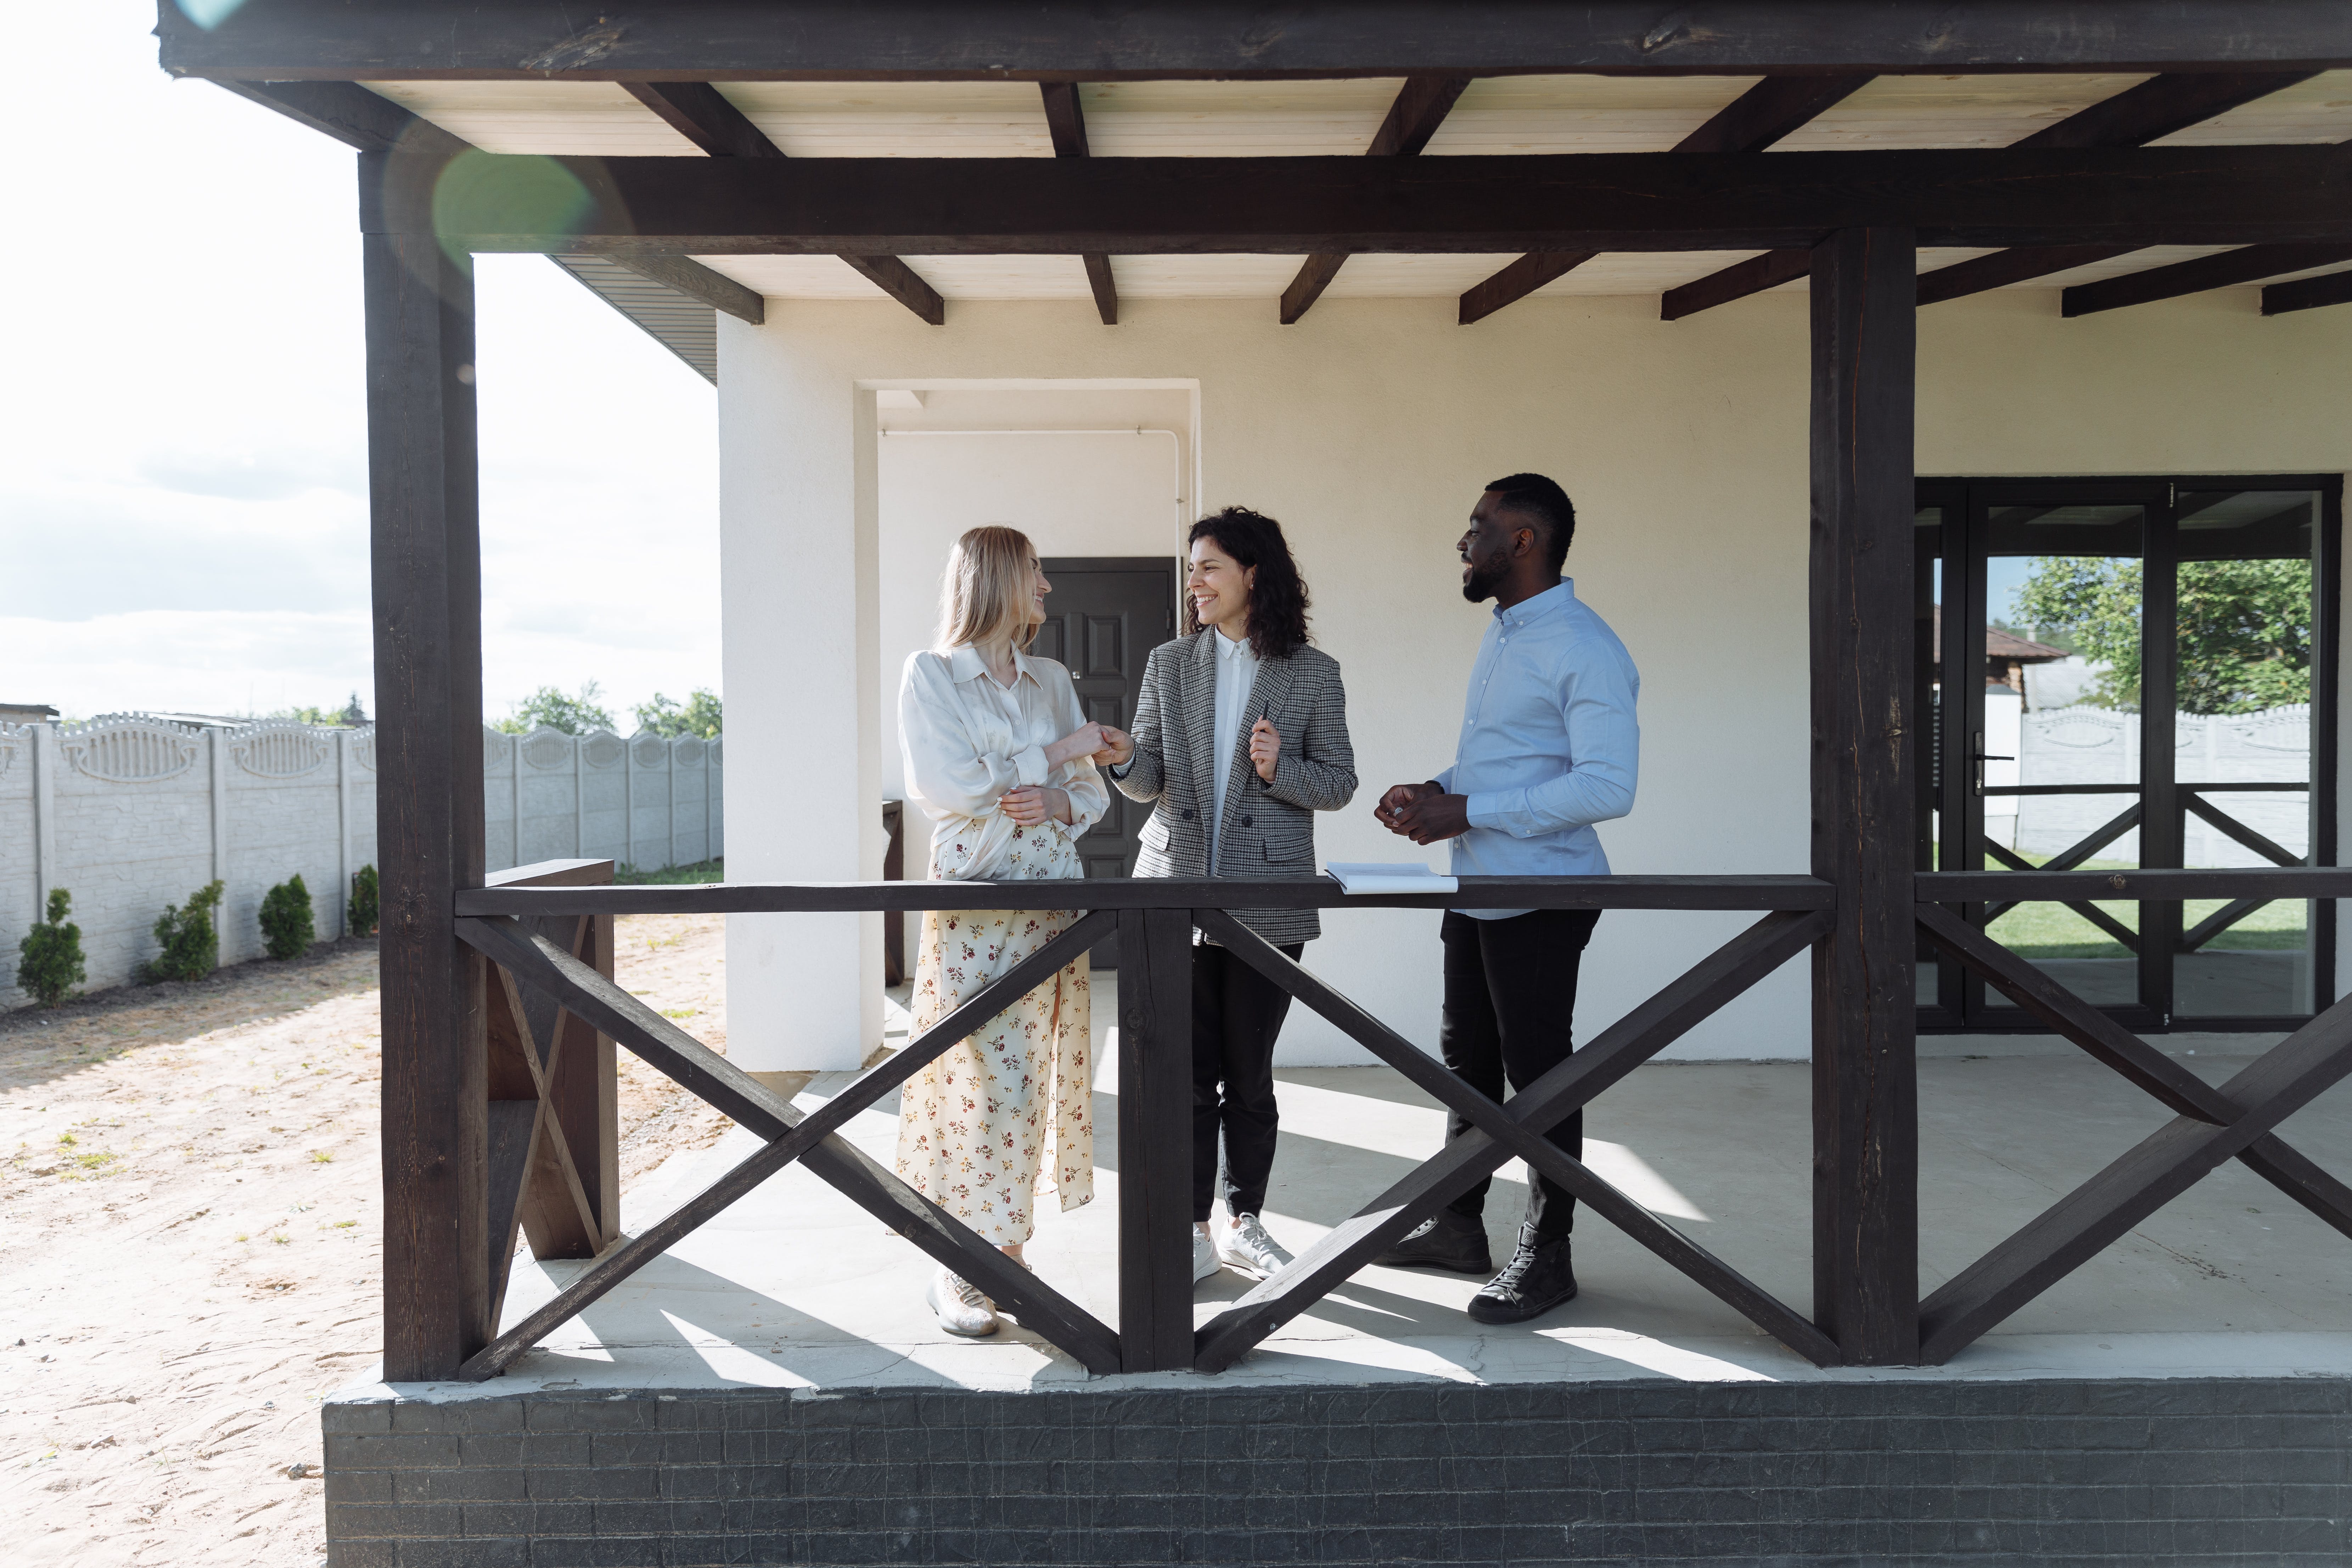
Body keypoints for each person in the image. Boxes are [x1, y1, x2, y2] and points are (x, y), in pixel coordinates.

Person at [1370, 473, 1639, 1325]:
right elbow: (1509, 764)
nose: (1464, 538)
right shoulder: (1505, 633)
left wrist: (1469, 809)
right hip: (1478, 884)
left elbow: (1607, 786)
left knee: (1539, 1077)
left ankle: (1547, 1254)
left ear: (1523, 540)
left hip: (1544, 890)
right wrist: (1434, 791)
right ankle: (1457, 1227)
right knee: (1469, 1067)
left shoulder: (1585, 646)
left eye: (1479, 524)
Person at [1095, 507, 1357, 1286]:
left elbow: (1339, 783)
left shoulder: (1314, 672)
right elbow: (1148, 783)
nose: (1194, 581)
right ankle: (1191, 1230)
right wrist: (1122, 757)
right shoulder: (1169, 663)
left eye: (1209, 566)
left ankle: (1247, 1220)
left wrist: (1282, 772)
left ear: (1252, 573)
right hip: (1173, 891)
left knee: (1249, 1073)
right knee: (1184, 1073)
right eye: (1191, 568)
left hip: (1268, 895)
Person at [895, 526, 1115, 1339]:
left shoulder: (1050, 677)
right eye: (1035, 574)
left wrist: (1058, 795)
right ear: (994, 579)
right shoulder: (930, 674)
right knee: (976, 1079)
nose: (1047, 588)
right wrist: (1052, 756)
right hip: (974, 903)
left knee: (1030, 1078)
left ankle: (1007, 1253)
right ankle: (960, 1265)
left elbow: (1089, 794)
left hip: (1051, 900)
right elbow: (946, 784)